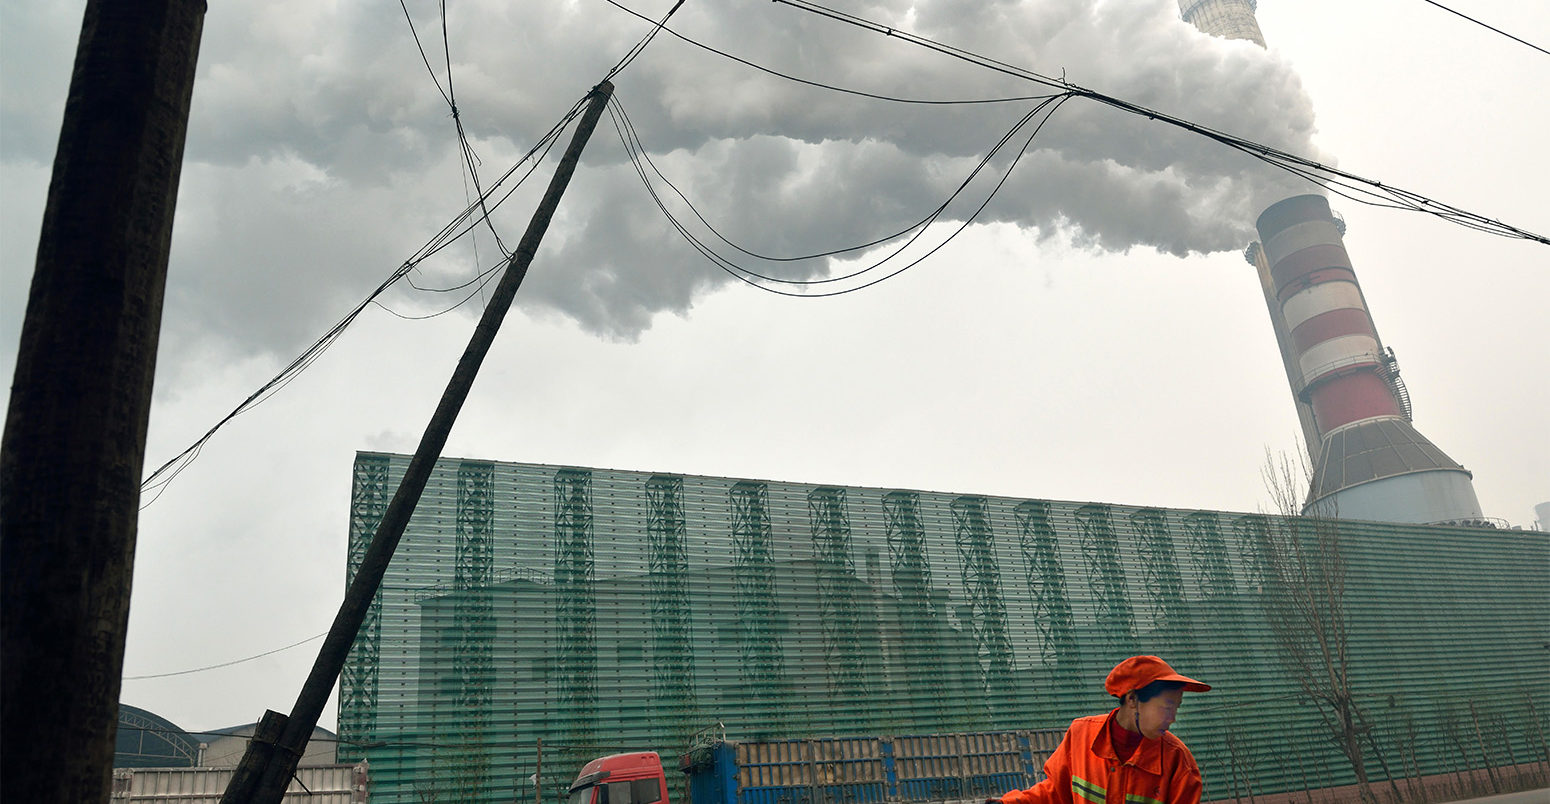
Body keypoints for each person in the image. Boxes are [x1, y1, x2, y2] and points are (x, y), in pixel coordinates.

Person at [989, 655, 1211, 804]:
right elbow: (1055, 793)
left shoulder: (1177, 761)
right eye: (1167, 707)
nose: (1172, 718)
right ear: (1133, 699)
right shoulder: (1081, 735)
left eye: (1176, 708)